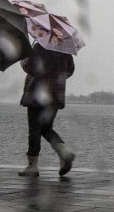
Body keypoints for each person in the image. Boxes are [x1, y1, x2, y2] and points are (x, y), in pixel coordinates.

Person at [18, 43, 75, 178]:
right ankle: (64, 152)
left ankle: (32, 165)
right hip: (55, 95)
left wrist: (23, 61)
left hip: (37, 94)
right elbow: (70, 70)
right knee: (46, 128)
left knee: (34, 129)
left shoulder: (39, 46)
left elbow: (31, 67)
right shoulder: (64, 48)